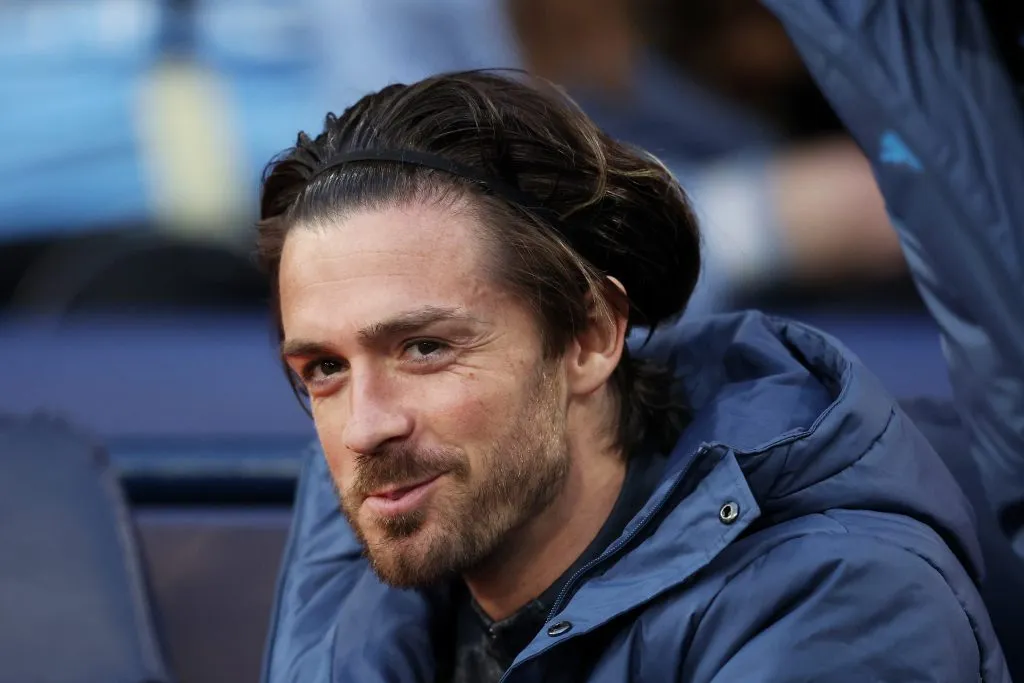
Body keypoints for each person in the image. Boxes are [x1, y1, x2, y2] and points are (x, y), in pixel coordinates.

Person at [256, 71, 1009, 682]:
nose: (365, 425)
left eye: (423, 348)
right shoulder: (372, 541)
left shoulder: (840, 600)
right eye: (324, 368)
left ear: (590, 335)